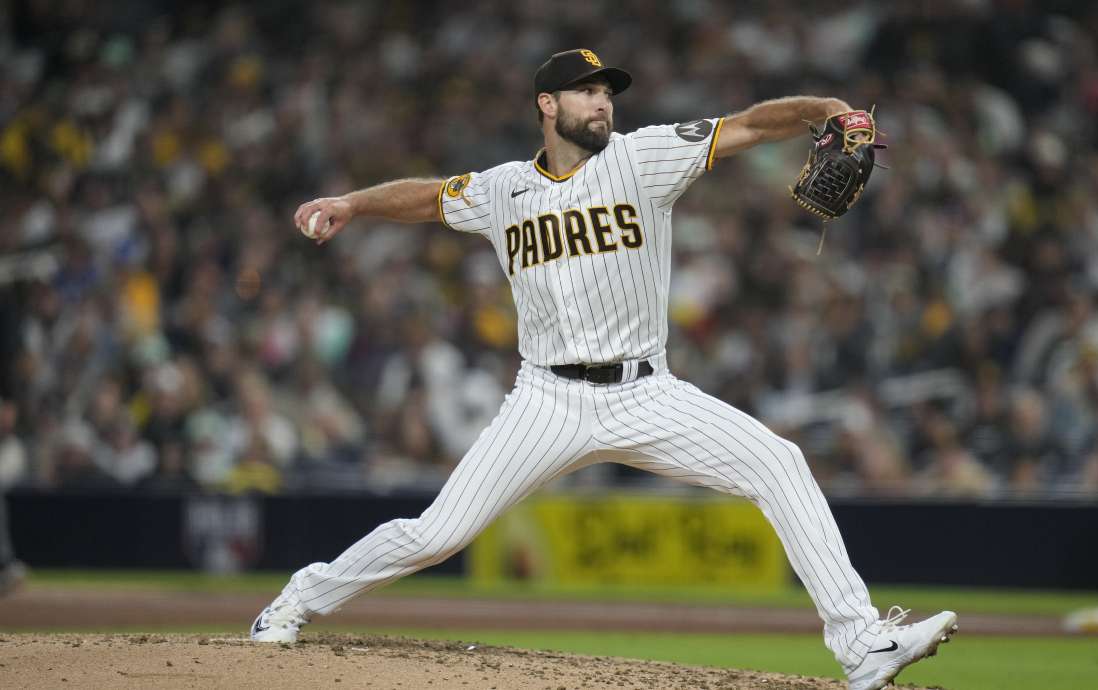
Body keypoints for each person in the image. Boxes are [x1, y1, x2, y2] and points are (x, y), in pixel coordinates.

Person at [250, 49, 957, 690]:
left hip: (648, 393)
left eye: (607, 93)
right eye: (585, 92)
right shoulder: (501, 190)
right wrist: (351, 204)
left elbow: (747, 126)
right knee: (437, 534)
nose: (603, 104)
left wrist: (821, 111)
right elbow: (431, 197)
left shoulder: (644, 157)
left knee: (779, 462)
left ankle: (862, 644)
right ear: (547, 105)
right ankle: (298, 599)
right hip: (546, 400)